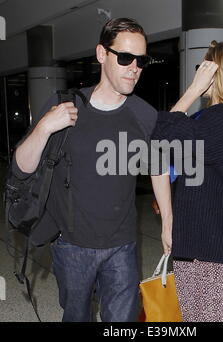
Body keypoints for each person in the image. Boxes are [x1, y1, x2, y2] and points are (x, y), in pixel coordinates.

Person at [12, 18, 158, 322]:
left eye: (141, 60)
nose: (135, 67)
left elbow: (159, 164)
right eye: (126, 57)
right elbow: (21, 166)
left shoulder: (143, 113)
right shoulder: (65, 105)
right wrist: (45, 126)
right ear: (102, 54)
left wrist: (168, 222)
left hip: (123, 245)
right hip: (72, 246)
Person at [151, 41, 223, 322]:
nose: (198, 73)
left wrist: (192, 90)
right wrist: (169, 224)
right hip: (198, 246)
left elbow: (160, 137)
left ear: (217, 73)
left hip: (210, 251)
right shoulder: (213, 118)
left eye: (203, 68)